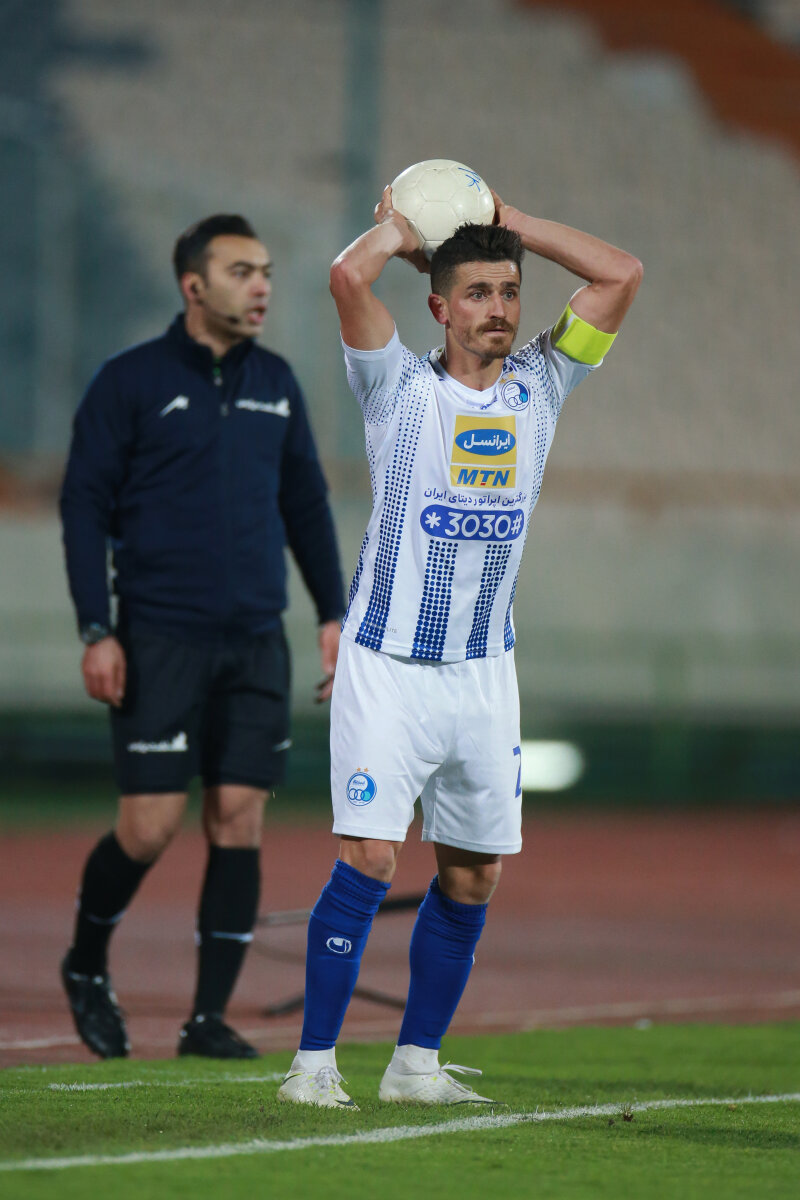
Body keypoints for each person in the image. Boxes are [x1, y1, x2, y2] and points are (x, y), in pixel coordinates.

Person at [277, 185, 642, 1107]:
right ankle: (312, 1066)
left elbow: (622, 274)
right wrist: (403, 228)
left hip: (483, 673)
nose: (499, 309)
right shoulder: (395, 386)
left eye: (509, 291)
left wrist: (516, 225)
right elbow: (345, 277)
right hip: (388, 667)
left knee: (474, 876)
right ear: (438, 307)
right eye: (477, 292)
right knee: (370, 859)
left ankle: (416, 1066)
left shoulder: (543, 383)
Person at [59, 214, 345, 1060]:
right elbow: (83, 506)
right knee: (149, 827)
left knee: (238, 819)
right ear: (194, 286)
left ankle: (205, 1020)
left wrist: (333, 615)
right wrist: (96, 628)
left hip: (256, 641)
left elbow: (306, 505)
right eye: (242, 272)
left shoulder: (277, 383)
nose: (262, 287)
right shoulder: (130, 382)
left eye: (266, 272)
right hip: (160, 638)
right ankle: (84, 963)